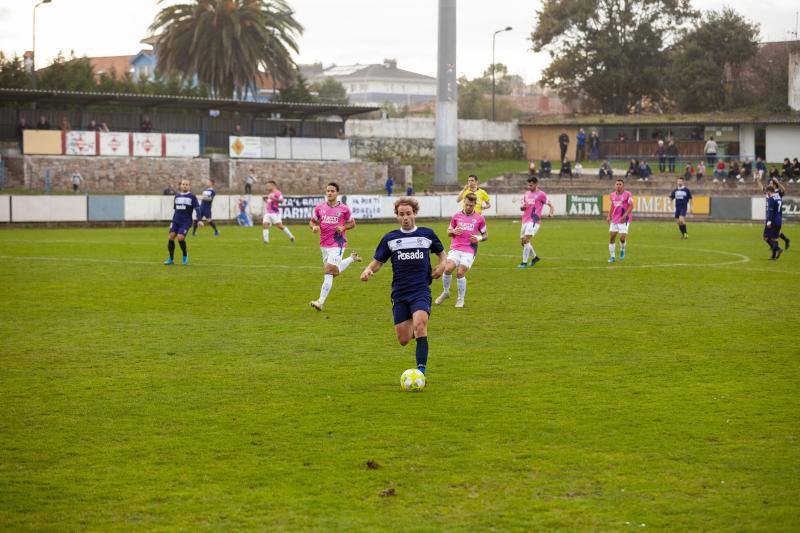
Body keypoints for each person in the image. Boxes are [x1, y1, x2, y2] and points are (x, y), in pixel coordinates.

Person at [359, 197, 446, 375]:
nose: (405, 217)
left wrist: (442, 266)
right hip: (399, 292)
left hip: (421, 290)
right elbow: (378, 262)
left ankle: (421, 371)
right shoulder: (390, 238)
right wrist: (368, 270)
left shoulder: (427, 234)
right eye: (401, 214)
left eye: (408, 213)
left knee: (421, 326)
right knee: (404, 339)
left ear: (415, 214)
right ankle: (414, 329)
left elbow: (443, 255)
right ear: (397, 216)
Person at [309, 182, 360, 311]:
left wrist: (343, 227)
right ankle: (351, 259)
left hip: (338, 243)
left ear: (337, 193)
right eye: (328, 191)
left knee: (329, 270)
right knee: (332, 272)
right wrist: (314, 227)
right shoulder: (319, 208)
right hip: (324, 244)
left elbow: (353, 224)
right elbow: (312, 221)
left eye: (332, 191)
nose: (330, 193)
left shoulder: (344, 209)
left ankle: (320, 301)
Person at [434, 193, 487, 308]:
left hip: (469, 250)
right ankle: (446, 292)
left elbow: (485, 235)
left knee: (460, 272)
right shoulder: (456, 216)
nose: (468, 207)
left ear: (474, 205)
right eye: (467, 205)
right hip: (456, 248)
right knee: (447, 269)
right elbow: (448, 231)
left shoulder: (479, 218)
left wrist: (478, 238)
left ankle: (460, 299)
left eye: (471, 206)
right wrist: (453, 231)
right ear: (464, 203)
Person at [517, 176, 554, 268]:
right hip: (525, 220)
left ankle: (524, 263)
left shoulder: (542, 194)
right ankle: (535, 257)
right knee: (523, 242)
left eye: (531, 185)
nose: (529, 187)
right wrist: (523, 208)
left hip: (534, 221)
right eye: (528, 185)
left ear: (536, 184)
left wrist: (551, 213)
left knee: (526, 240)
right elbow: (523, 207)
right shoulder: (526, 194)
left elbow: (551, 205)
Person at [164, 179, 199, 266]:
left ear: (189, 186)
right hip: (176, 220)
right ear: (180, 185)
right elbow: (176, 210)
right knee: (171, 237)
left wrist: (199, 220)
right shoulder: (177, 196)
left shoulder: (192, 197)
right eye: (183, 184)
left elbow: (197, 209)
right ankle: (171, 259)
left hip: (186, 221)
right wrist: (172, 222)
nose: (184, 186)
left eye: (186, 184)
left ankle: (185, 255)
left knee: (180, 238)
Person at [607, 178, 633, 263]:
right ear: (615, 185)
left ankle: (622, 249)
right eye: (617, 184)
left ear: (623, 186)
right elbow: (612, 206)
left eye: (620, 184)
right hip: (615, 218)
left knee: (622, 238)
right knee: (612, 237)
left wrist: (625, 215)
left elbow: (631, 206)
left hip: (624, 219)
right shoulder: (612, 195)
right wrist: (609, 216)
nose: (618, 186)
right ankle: (612, 257)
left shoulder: (628, 194)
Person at [262, 180, 295, 244]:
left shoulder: (278, 193)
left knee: (279, 226)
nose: (267, 187)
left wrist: (273, 198)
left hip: (274, 213)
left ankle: (291, 236)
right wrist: (265, 200)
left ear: (273, 186)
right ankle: (266, 241)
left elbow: (282, 201)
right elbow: (270, 202)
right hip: (268, 213)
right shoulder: (270, 194)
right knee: (265, 225)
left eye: (268, 186)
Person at [769, 177, 791, 250]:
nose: (770, 184)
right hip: (772, 212)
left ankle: (776, 246)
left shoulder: (778, 192)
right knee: (774, 230)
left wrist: (778, 183)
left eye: (772, 183)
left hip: (777, 213)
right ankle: (782, 241)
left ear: (775, 185)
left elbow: (784, 190)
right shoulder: (770, 191)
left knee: (774, 231)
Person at [763, 185, 784, 260]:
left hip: (772, 221)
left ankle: (778, 249)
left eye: (767, 192)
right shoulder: (778, 197)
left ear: (769, 191)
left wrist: (769, 221)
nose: (766, 193)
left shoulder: (771, 199)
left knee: (765, 237)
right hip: (779, 221)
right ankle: (773, 257)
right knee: (774, 239)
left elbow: (771, 211)